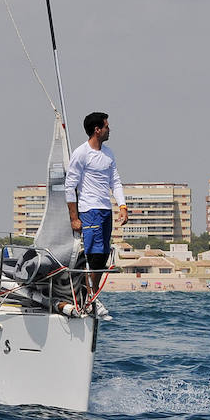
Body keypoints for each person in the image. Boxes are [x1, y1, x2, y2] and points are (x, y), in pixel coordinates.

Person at [65, 112, 128, 309]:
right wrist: (74, 218)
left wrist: (123, 206)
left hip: (105, 210)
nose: (110, 130)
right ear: (97, 130)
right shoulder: (81, 153)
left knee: (102, 255)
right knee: (94, 253)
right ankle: (89, 297)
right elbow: (69, 186)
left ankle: (91, 296)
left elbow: (115, 182)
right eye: (107, 126)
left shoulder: (108, 153)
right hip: (89, 209)